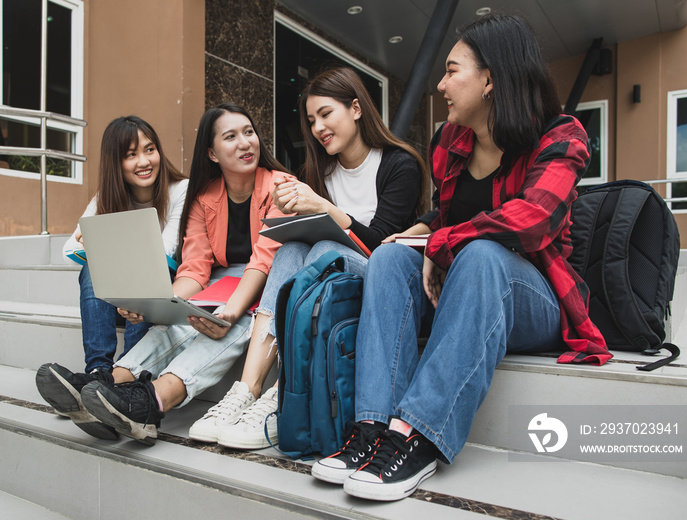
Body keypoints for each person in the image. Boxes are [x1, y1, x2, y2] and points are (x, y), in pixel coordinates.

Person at [310, 14, 613, 501]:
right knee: (389, 260)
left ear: (490, 79)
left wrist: (444, 241)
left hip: (533, 298)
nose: (440, 83)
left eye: (452, 70)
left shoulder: (561, 136)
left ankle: (418, 436)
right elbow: (446, 214)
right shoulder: (450, 142)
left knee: (483, 255)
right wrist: (417, 235)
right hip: (459, 288)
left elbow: (532, 220)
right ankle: (370, 429)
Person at [187, 67, 427, 450]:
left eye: (326, 114)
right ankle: (247, 389)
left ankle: (287, 394)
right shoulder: (321, 170)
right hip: (326, 284)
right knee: (294, 249)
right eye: (312, 120)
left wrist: (322, 207)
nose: (318, 128)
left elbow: (383, 245)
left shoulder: (399, 163)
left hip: (380, 281)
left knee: (325, 250)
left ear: (356, 109)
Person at [37, 103, 289, 444]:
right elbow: (196, 269)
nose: (246, 142)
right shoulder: (204, 197)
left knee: (233, 323)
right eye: (231, 136)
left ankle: (152, 402)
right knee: (177, 323)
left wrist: (228, 310)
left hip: (270, 283)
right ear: (212, 153)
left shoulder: (281, 186)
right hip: (222, 281)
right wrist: (162, 304)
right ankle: (108, 384)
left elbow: (263, 261)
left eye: (249, 132)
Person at [36, 116, 188, 438]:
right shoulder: (106, 197)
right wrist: (92, 243)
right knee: (92, 263)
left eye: (150, 149)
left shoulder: (179, 190)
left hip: (162, 286)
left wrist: (109, 244)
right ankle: (98, 373)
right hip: (117, 296)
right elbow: (68, 249)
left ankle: (127, 382)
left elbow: (167, 248)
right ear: (115, 163)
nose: (144, 161)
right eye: (131, 154)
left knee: (134, 263)